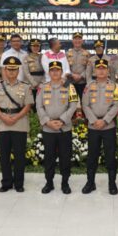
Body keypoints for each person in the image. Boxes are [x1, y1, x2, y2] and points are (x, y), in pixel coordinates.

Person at [0, 56, 34, 192]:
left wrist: (15, 118)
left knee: (19, 156)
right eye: (9, 69)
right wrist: (3, 117)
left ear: (18, 71)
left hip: (19, 123)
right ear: (5, 70)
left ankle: (19, 184)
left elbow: (27, 106)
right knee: (4, 156)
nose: (11, 72)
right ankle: (6, 183)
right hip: (3, 123)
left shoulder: (25, 86)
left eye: (14, 69)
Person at [36, 60, 79, 194]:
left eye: (57, 70)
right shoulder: (43, 87)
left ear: (61, 72)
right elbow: (39, 106)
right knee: (49, 158)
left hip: (64, 128)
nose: (55, 72)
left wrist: (62, 120)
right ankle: (49, 183)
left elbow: (73, 105)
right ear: (49, 72)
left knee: (65, 157)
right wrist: (47, 121)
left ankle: (65, 183)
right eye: (52, 70)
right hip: (48, 128)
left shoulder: (69, 86)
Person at [81, 58, 118, 195]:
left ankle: (112, 184)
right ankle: (90, 183)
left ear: (108, 71)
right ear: (95, 71)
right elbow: (85, 105)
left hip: (108, 126)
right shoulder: (88, 86)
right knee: (92, 156)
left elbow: (117, 104)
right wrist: (93, 120)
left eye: (104, 68)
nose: (101, 71)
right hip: (93, 127)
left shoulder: (115, 86)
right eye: (99, 68)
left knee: (110, 156)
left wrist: (105, 120)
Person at [66, 31, 90, 98]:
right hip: (70, 82)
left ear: (82, 41)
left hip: (83, 82)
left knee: (84, 101)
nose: (77, 41)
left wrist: (81, 76)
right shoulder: (67, 54)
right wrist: (72, 75)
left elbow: (89, 68)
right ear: (72, 41)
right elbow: (65, 68)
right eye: (75, 39)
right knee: (71, 102)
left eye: (79, 39)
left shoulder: (87, 53)